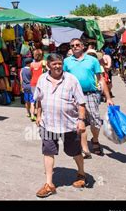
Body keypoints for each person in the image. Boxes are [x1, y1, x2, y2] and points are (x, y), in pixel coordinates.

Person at [33, 53, 87, 198]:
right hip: (48, 123)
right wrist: (38, 116)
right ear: (48, 65)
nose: (57, 66)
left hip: (69, 125)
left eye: (59, 63)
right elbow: (38, 99)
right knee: (48, 151)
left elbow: (81, 103)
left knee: (74, 151)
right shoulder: (42, 79)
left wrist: (81, 120)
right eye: (54, 63)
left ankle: (81, 173)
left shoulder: (71, 79)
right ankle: (49, 184)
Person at [63, 38, 114, 158]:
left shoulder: (92, 60)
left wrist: (108, 97)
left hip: (91, 94)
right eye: (72, 45)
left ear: (82, 46)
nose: (75, 47)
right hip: (74, 96)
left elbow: (101, 79)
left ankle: (95, 140)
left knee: (95, 122)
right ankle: (85, 148)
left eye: (77, 45)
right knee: (80, 122)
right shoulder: (66, 61)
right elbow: (63, 79)